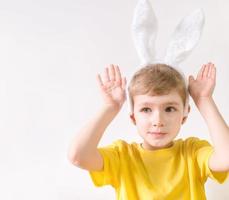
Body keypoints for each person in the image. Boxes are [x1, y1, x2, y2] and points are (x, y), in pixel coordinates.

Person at [68, 63, 228, 200]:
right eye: (146, 109)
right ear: (133, 117)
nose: (158, 121)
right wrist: (110, 108)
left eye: (170, 108)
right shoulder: (122, 155)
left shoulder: (192, 153)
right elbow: (78, 156)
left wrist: (204, 100)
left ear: (184, 116)